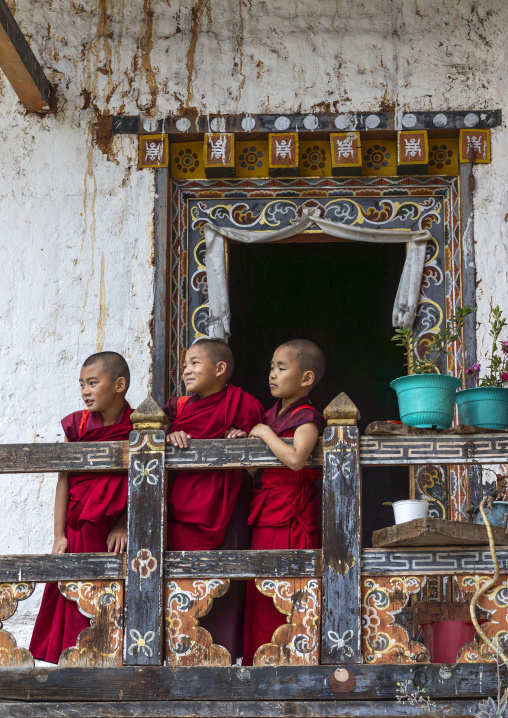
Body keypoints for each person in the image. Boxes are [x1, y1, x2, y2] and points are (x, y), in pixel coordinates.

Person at [164, 338, 264, 663]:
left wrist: (244, 444)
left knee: (226, 584)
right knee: (181, 582)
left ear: (220, 369)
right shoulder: (176, 408)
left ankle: (223, 658)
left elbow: (259, 471)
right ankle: (178, 655)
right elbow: (144, 437)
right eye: (185, 363)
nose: (187, 370)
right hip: (182, 510)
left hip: (229, 507)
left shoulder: (244, 404)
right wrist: (167, 436)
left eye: (195, 363)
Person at [30, 351, 133, 664]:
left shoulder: (139, 425)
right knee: (72, 588)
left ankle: (108, 658)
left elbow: (144, 483)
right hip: (77, 525)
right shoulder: (77, 425)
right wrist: (59, 533)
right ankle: (70, 658)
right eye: (81, 385)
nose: (86, 391)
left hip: (112, 531)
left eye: (93, 383)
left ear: (119, 385)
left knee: (110, 589)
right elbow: (64, 480)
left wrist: (125, 524)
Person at [243, 339, 326, 665]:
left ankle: (293, 660)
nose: (272, 375)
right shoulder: (269, 416)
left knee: (289, 588)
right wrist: (244, 440)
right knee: (262, 590)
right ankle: (259, 659)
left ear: (306, 378)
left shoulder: (307, 417)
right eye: (271, 368)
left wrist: (262, 433)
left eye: (281, 368)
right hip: (265, 511)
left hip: (292, 517)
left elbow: (295, 459)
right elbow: (254, 471)